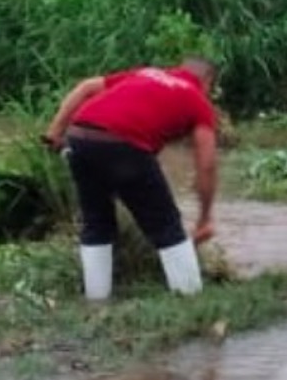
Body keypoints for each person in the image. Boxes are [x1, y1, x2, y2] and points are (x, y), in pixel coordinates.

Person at [41, 57, 221, 300]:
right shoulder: (197, 99)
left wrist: (54, 132)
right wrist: (205, 218)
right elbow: (207, 164)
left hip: (80, 137)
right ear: (207, 82)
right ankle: (190, 298)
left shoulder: (146, 74)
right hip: (124, 145)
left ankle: (96, 300)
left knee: (96, 222)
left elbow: (86, 87)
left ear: (178, 68)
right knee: (167, 225)